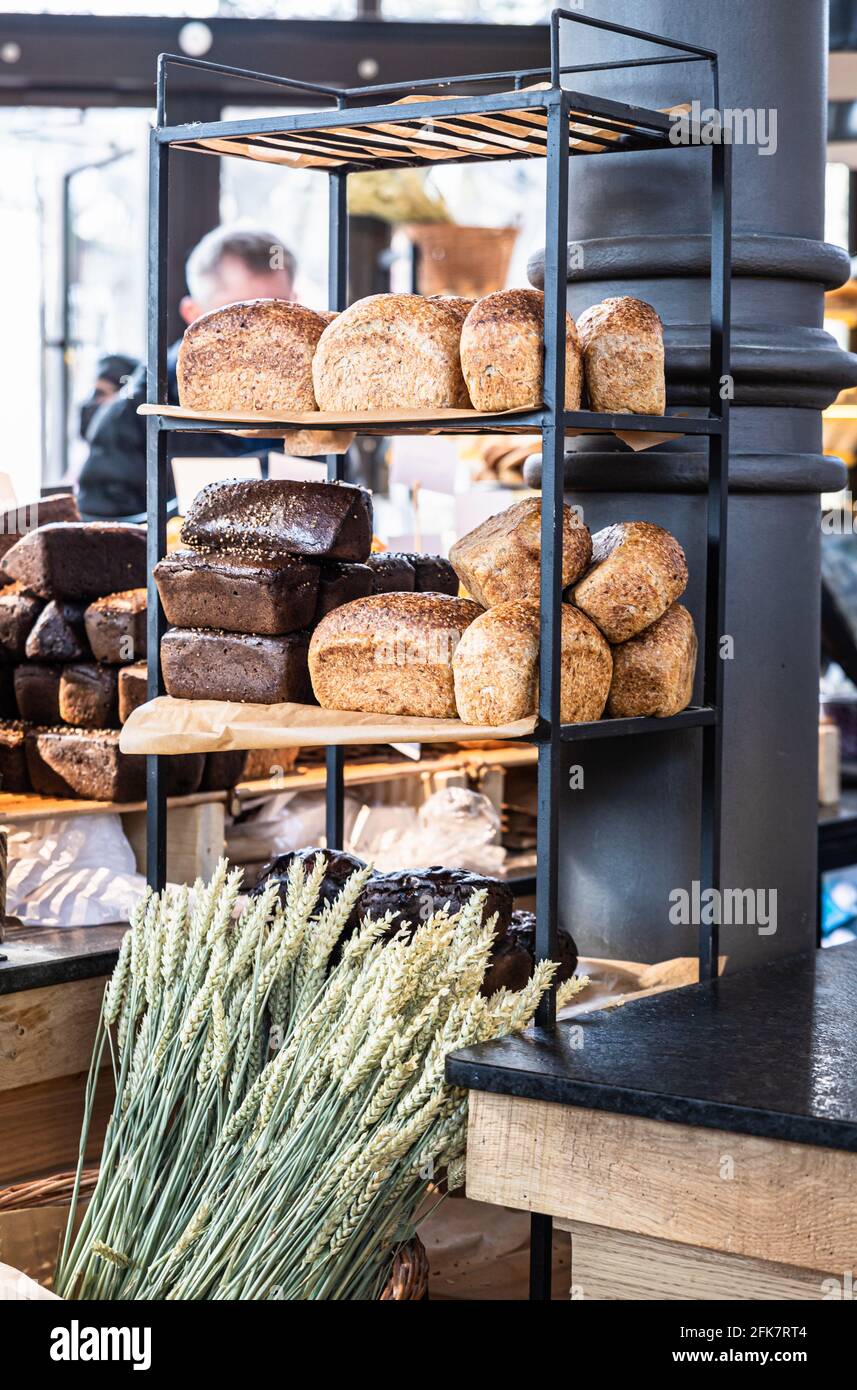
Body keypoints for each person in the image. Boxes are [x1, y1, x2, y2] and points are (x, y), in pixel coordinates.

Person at [77, 226, 298, 518]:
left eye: (281, 312)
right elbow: (102, 534)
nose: (263, 334)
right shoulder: (137, 412)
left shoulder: (316, 403)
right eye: (239, 317)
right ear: (194, 315)